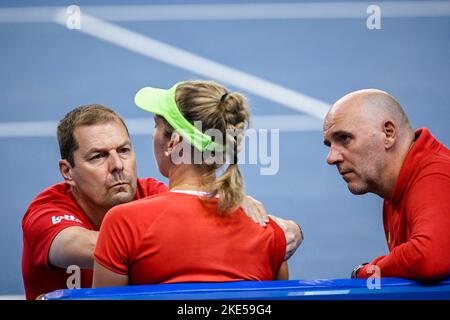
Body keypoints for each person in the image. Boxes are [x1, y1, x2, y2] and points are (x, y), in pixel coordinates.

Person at [22, 104, 302, 300]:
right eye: (98, 156)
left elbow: (190, 213)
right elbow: (93, 245)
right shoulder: (46, 211)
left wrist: (290, 229)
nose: (118, 165)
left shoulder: (150, 195)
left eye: (124, 150)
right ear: (67, 171)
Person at [92, 80, 289, 287]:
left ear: (173, 143)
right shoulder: (269, 233)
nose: (153, 134)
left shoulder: (123, 223)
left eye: (156, 126)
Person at [323, 89, 450, 281]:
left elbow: (429, 256)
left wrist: (366, 271)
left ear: (388, 133)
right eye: (330, 144)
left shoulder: (436, 175)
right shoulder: (393, 191)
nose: (331, 158)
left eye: (345, 139)